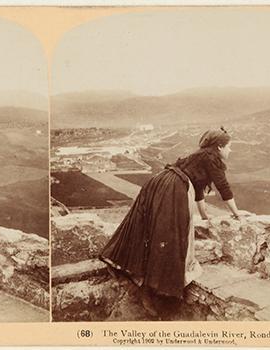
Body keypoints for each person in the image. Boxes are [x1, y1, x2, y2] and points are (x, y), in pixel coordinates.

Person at [99, 127, 247, 317]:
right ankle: (156, 293)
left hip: (160, 183)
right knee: (170, 239)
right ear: (219, 147)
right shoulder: (212, 159)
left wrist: (204, 216)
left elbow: (198, 190)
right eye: (229, 147)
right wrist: (237, 214)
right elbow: (223, 188)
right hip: (172, 189)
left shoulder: (200, 156)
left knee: (151, 232)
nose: (230, 151)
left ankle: (140, 281)